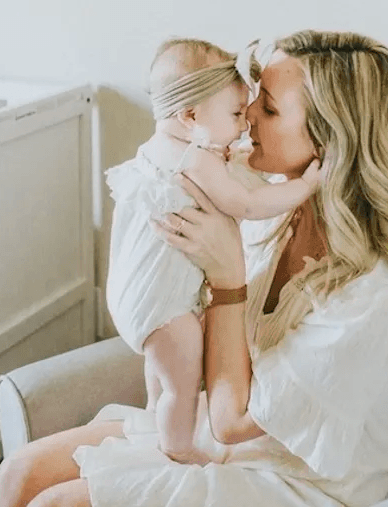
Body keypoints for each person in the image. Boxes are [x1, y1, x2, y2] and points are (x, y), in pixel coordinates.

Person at [0, 30, 388, 507]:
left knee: (54, 505)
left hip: (304, 482)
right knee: (19, 473)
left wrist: (228, 279)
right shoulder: (271, 207)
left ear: (329, 141)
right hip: (222, 437)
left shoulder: (376, 289)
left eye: (268, 108)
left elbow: (233, 419)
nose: (246, 112)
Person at [102, 38, 321, 464]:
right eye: (238, 113)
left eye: (261, 109)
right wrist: (304, 186)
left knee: (162, 374)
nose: (245, 124)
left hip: (134, 297)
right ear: (190, 116)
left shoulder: (159, 150)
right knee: (183, 385)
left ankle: (156, 416)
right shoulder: (196, 160)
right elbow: (246, 205)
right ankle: (177, 447)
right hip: (166, 306)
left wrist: (226, 156)